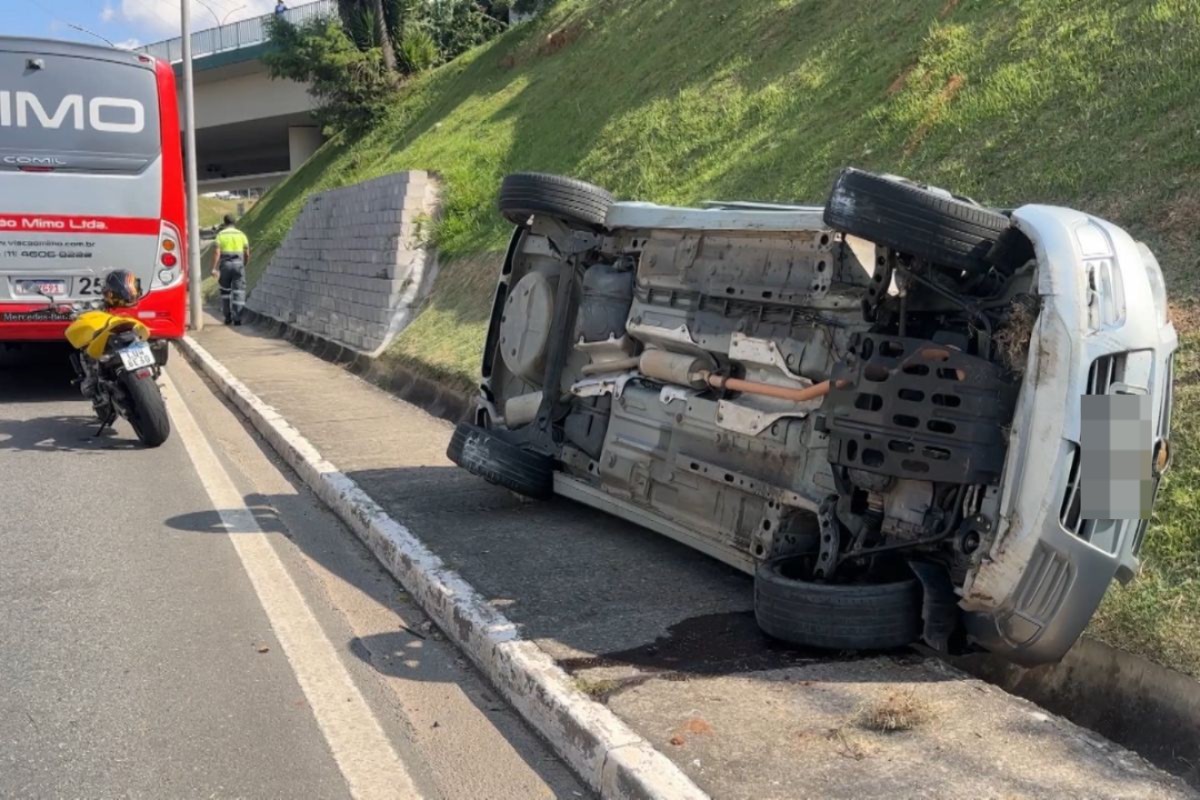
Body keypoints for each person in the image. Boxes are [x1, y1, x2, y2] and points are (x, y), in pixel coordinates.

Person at [212, 213, 250, 326]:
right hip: (239, 265)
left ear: (224, 223)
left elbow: (217, 252)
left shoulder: (220, 235)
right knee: (239, 292)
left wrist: (214, 268)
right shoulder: (242, 235)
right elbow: (247, 252)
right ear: (235, 223)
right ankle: (237, 319)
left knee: (225, 293)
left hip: (225, 266)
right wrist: (244, 264)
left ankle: (227, 318)